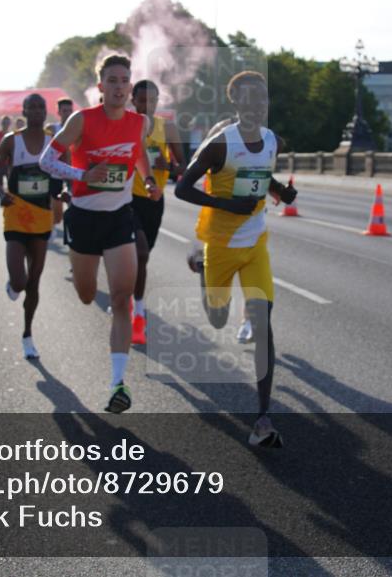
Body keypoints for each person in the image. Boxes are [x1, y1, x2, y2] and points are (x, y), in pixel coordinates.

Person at [174, 70, 296, 448]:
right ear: (236, 103)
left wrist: (281, 193)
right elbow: (181, 188)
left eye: (262, 99)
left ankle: (262, 418)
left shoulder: (272, 139)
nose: (257, 106)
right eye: (248, 99)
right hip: (221, 246)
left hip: (255, 243)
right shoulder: (219, 144)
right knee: (218, 316)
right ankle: (204, 270)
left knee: (262, 324)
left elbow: (262, 175)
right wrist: (225, 203)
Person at [39, 54, 161, 413]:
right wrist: (82, 177)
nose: (120, 87)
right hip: (84, 218)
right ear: (100, 86)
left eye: (125, 80)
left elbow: (137, 155)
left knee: (121, 299)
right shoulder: (82, 120)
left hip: (119, 216)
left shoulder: (140, 123)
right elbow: (48, 160)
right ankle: (89, 292)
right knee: (86, 293)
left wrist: (149, 179)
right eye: (112, 80)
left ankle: (118, 384)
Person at [0, 94, 61, 360]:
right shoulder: (11, 141)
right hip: (16, 215)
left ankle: (28, 335)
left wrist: (63, 194)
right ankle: (13, 283)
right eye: (32, 107)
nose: (38, 111)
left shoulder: (54, 142)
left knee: (34, 282)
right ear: (25, 111)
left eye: (42, 107)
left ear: (46, 111)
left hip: (42, 216)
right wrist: (0, 193)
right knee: (20, 281)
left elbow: (61, 174)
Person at [129, 79, 184, 345]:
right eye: (141, 100)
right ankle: (138, 309)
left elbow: (183, 168)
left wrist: (168, 166)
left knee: (143, 257)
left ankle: (128, 295)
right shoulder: (124, 125)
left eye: (151, 100)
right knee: (138, 253)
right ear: (133, 100)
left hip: (154, 200)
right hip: (126, 200)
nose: (146, 105)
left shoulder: (167, 128)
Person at [44, 98, 75, 240]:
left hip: (73, 174)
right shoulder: (52, 129)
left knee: (73, 208)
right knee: (57, 214)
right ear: (58, 112)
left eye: (70, 110)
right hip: (55, 174)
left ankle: (73, 235)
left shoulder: (79, 128)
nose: (67, 113)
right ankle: (53, 226)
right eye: (64, 111)